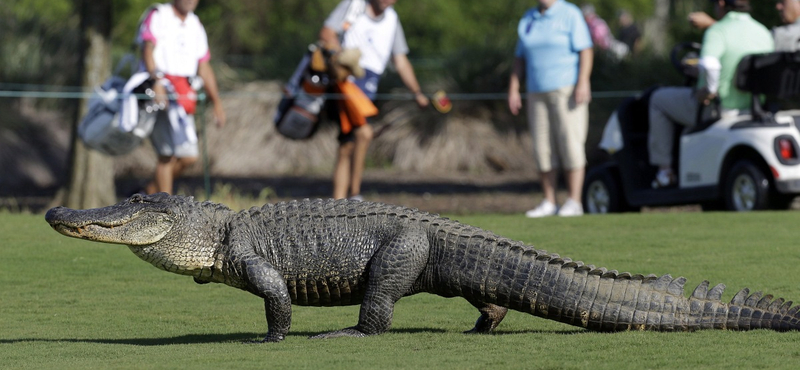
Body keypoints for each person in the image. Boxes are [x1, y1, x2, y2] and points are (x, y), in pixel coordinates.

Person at [648, 0, 773, 188]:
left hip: (716, 109)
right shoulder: (762, 32)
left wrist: (709, 90)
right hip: (753, 107)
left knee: (657, 99)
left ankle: (665, 171)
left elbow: (710, 64)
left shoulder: (718, 31)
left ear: (722, 4)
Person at [319, 0, 429, 201]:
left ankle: (340, 203)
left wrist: (417, 92)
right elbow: (327, 33)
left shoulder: (392, 20)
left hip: (369, 87)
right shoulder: (354, 6)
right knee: (364, 133)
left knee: (348, 144)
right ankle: (354, 195)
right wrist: (340, 55)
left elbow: (401, 60)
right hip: (346, 83)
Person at [509, 0, 594, 217]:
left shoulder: (570, 14)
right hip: (536, 92)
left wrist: (583, 80)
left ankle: (574, 201)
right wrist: (514, 87)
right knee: (542, 147)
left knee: (570, 143)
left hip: (566, 89)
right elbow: (520, 57)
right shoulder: (529, 18)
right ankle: (549, 201)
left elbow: (586, 50)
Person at [139, 0, 226, 195]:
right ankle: (165, 209)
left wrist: (217, 103)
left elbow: (204, 66)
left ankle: (148, 194)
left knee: (189, 157)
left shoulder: (195, 24)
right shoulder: (159, 15)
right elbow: (147, 49)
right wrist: (157, 81)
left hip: (183, 98)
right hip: (158, 95)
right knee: (167, 155)